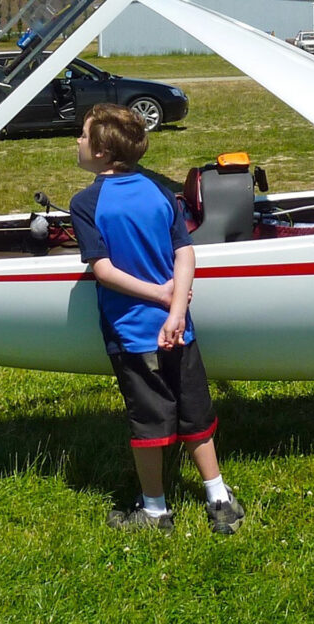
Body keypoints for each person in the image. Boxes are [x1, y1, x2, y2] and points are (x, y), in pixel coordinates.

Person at [69, 103, 244, 535]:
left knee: (149, 422)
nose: (77, 140)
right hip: (181, 330)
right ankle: (219, 498)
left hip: (133, 336)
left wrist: (159, 295)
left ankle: (154, 511)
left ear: (102, 153)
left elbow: (102, 269)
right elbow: (184, 250)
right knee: (195, 415)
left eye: (84, 135)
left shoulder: (86, 203)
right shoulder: (159, 193)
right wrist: (177, 307)